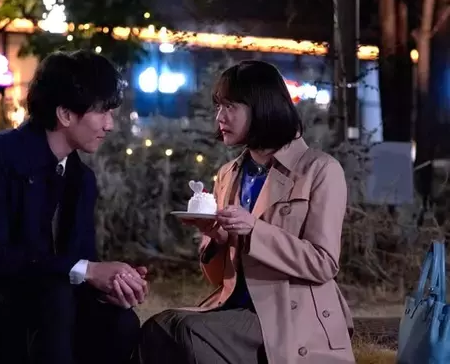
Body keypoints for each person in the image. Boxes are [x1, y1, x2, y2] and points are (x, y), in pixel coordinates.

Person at [0, 50, 148, 364]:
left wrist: (109, 286)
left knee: (118, 322)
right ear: (65, 114)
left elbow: (77, 263)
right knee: (52, 296)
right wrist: (87, 271)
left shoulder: (80, 178)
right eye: (102, 112)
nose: (109, 124)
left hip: (44, 308)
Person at [137, 60, 355, 364]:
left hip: (289, 319)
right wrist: (217, 239)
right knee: (158, 330)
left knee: (181, 332)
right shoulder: (228, 174)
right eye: (218, 107)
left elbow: (323, 263)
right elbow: (219, 279)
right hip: (234, 308)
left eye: (230, 106)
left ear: (261, 107)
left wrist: (255, 230)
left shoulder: (320, 170)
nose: (220, 117)